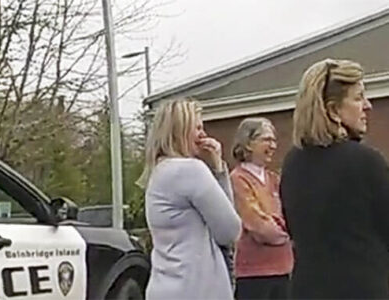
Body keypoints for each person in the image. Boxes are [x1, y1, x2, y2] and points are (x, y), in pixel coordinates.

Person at [280, 58, 389, 298]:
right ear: (332, 110)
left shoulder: (292, 164)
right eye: (358, 98)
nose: (368, 106)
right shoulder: (366, 161)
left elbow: (293, 230)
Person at [137, 99, 242, 300]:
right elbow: (230, 231)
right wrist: (219, 168)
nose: (203, 134)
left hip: (165, 286)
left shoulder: (158, 172)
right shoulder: (190, 170)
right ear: (180, 131)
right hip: (197, 289)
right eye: (197, 127)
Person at [230, 118, 294, 299]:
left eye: (274, 140)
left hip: (283, 269)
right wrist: (284, 233)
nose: (273, 146)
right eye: (266, 140)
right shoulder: (238, 179)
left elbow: (291, 214)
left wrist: (280, 223)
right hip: (253, 274)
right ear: (248, 144)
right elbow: (257, 224)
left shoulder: (274, 180)